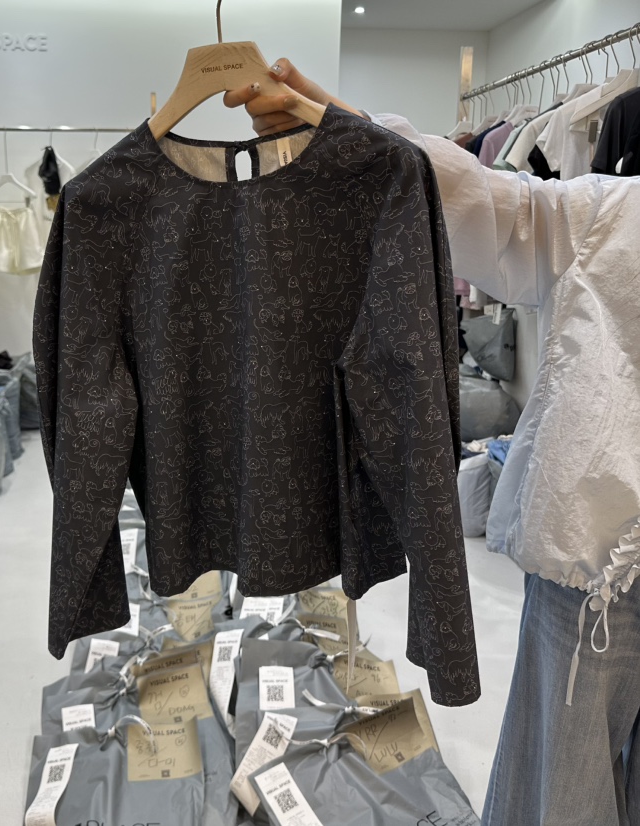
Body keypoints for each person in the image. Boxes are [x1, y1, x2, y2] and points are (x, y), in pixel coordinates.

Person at [223, 59, 640, 826]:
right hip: (604, 572)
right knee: (560, 792)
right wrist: (360, 141)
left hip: (599, 562)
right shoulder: (619, 214)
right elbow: (501, 209)